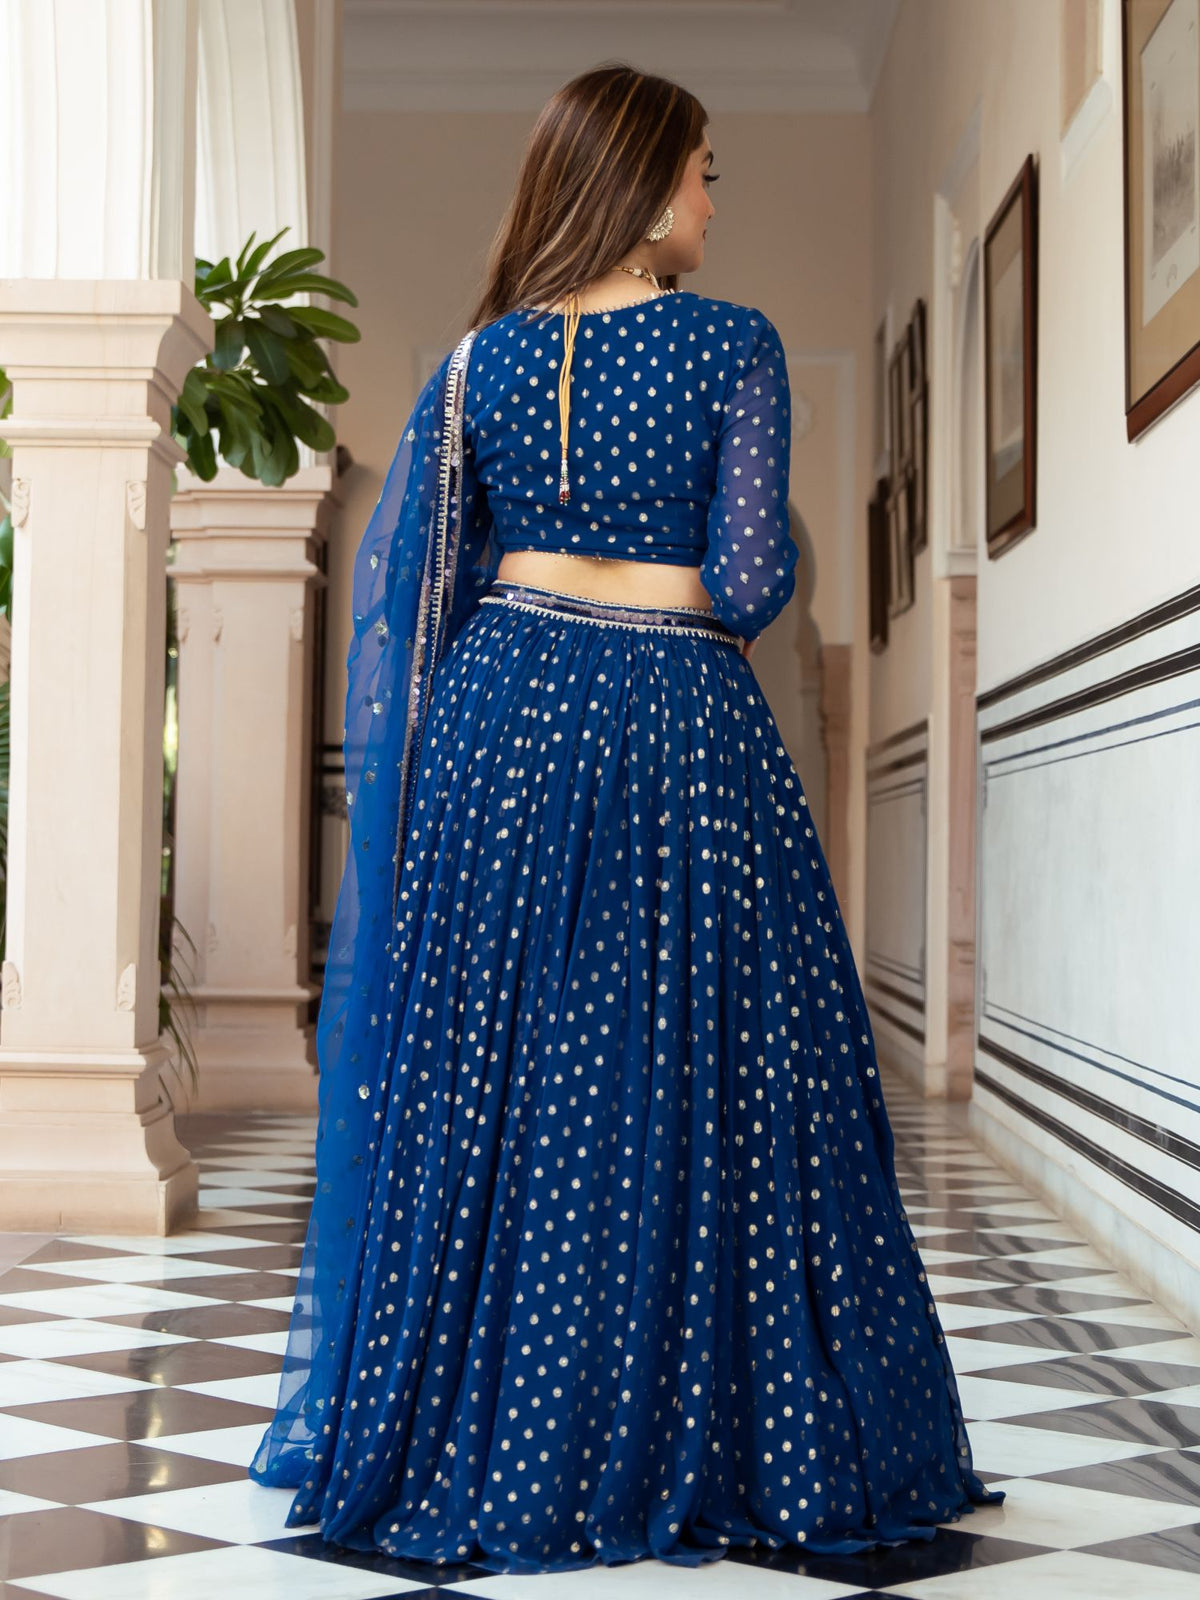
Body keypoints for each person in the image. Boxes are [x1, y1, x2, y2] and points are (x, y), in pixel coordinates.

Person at [248, 62, 1003, 1575]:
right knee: (698, 1071)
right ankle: (707, 1433)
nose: (716, 200)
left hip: (501, 727)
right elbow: (749, 581)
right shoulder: (733, 343)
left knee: (505, 1081)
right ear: (653, 188)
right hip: (676, 723)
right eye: (707, 173)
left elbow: (420, 589)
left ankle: (498, 1433)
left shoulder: (478, 363)